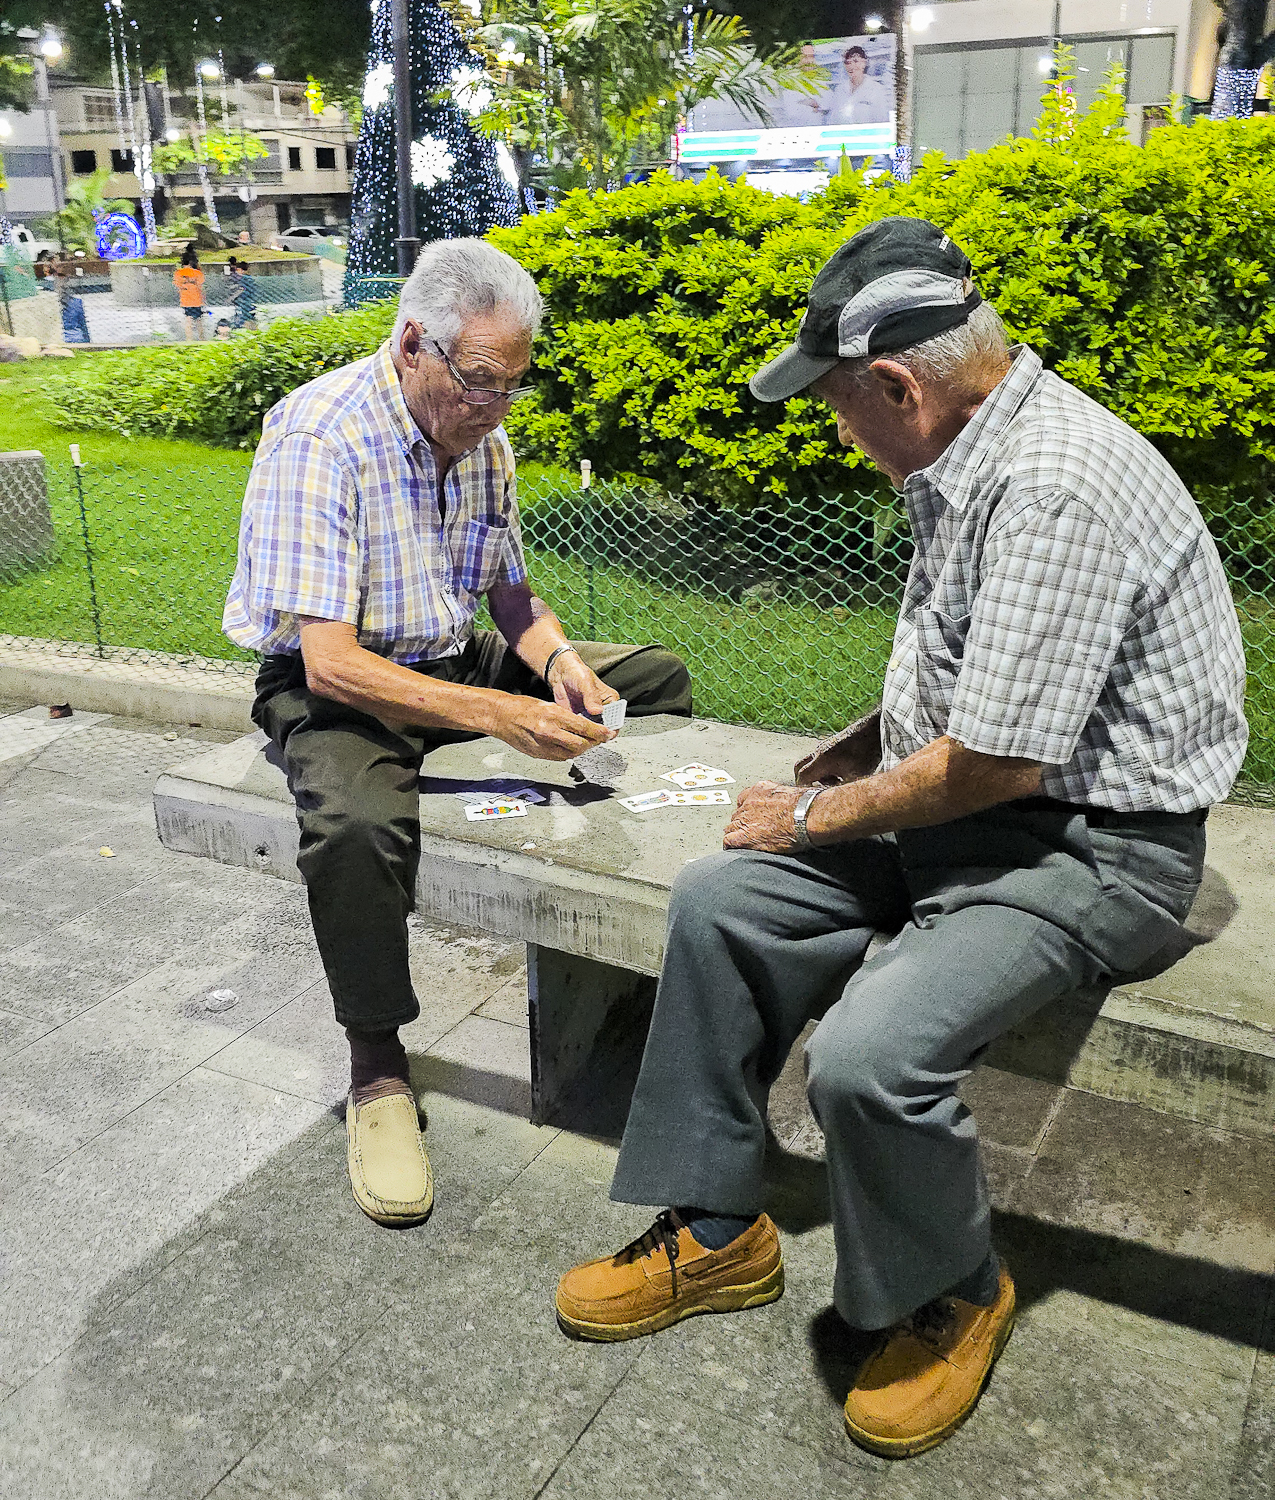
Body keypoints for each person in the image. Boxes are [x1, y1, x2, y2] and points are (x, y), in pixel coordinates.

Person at [554, 216, 1247, 1459]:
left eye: (834, 407)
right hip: (985, 813)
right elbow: (985, 677)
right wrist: (871, 739)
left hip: (1095, 849)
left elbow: (999, 760)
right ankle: (718, 1232)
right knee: (722, 901)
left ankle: (954, 1292)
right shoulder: (973, 448)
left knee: (868, 1056)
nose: (837, 432)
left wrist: (818, 811)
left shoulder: (1051, 487)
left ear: (896, 384)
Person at [223, 237, 691, 1230]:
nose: (493, 407)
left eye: (512, 387)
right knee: (353, 827)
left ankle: (625, 935)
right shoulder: (319, 438)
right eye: (478, 382)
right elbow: (331, 661)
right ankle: (378, 1068)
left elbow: (510, 596)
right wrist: (501, 713)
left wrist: (559, 668)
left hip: (443, 653)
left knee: (650, 678)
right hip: (339, 687)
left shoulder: (485, 439)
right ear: (412, 346)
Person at [827, 45, 891, 126]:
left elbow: (882, 121)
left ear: (864, 63)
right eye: (847, 62)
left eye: (856, 61)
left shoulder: (877, 89)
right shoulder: (839, 89)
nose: (851, 66)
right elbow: (832, 119)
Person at [174, 245, 206, 340]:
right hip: (196, 299)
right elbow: (201, 286)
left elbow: (177, 285)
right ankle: (202, 338)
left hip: (186, 300)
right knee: (199, 320)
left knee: (188, 319)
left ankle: (189, 339)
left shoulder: (178, 273)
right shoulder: (198, 273)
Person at [226, 256, 258, 330]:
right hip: (250, 301)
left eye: (237, 270)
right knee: (251, 319)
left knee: (245, 319)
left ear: (241, 270)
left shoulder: (244, 279)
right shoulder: (250, 278)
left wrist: (230, 298)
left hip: (245, 303)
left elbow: (241, 289)